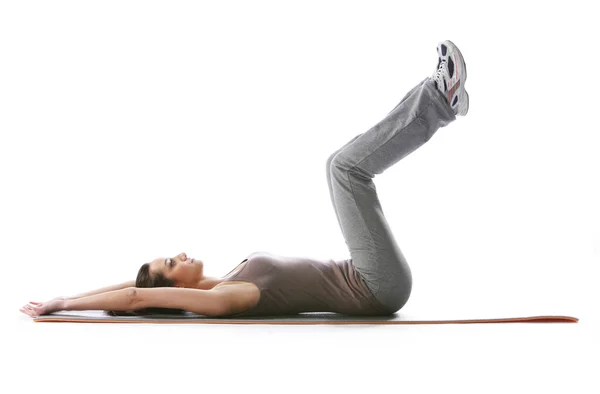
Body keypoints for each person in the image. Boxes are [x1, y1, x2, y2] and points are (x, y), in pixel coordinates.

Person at [20, 40, 469, 318]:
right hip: (378, 286)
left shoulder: (227, 279)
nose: (178, 254)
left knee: (342, 165)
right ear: (178, 291)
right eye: (171, 265)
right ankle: (440, 98)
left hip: (366, 275)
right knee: (343, 169)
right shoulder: (227, 299)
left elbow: (133, 288)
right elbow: (138, 297)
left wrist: (68, 294)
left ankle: (441, 94)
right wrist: (63, 307)